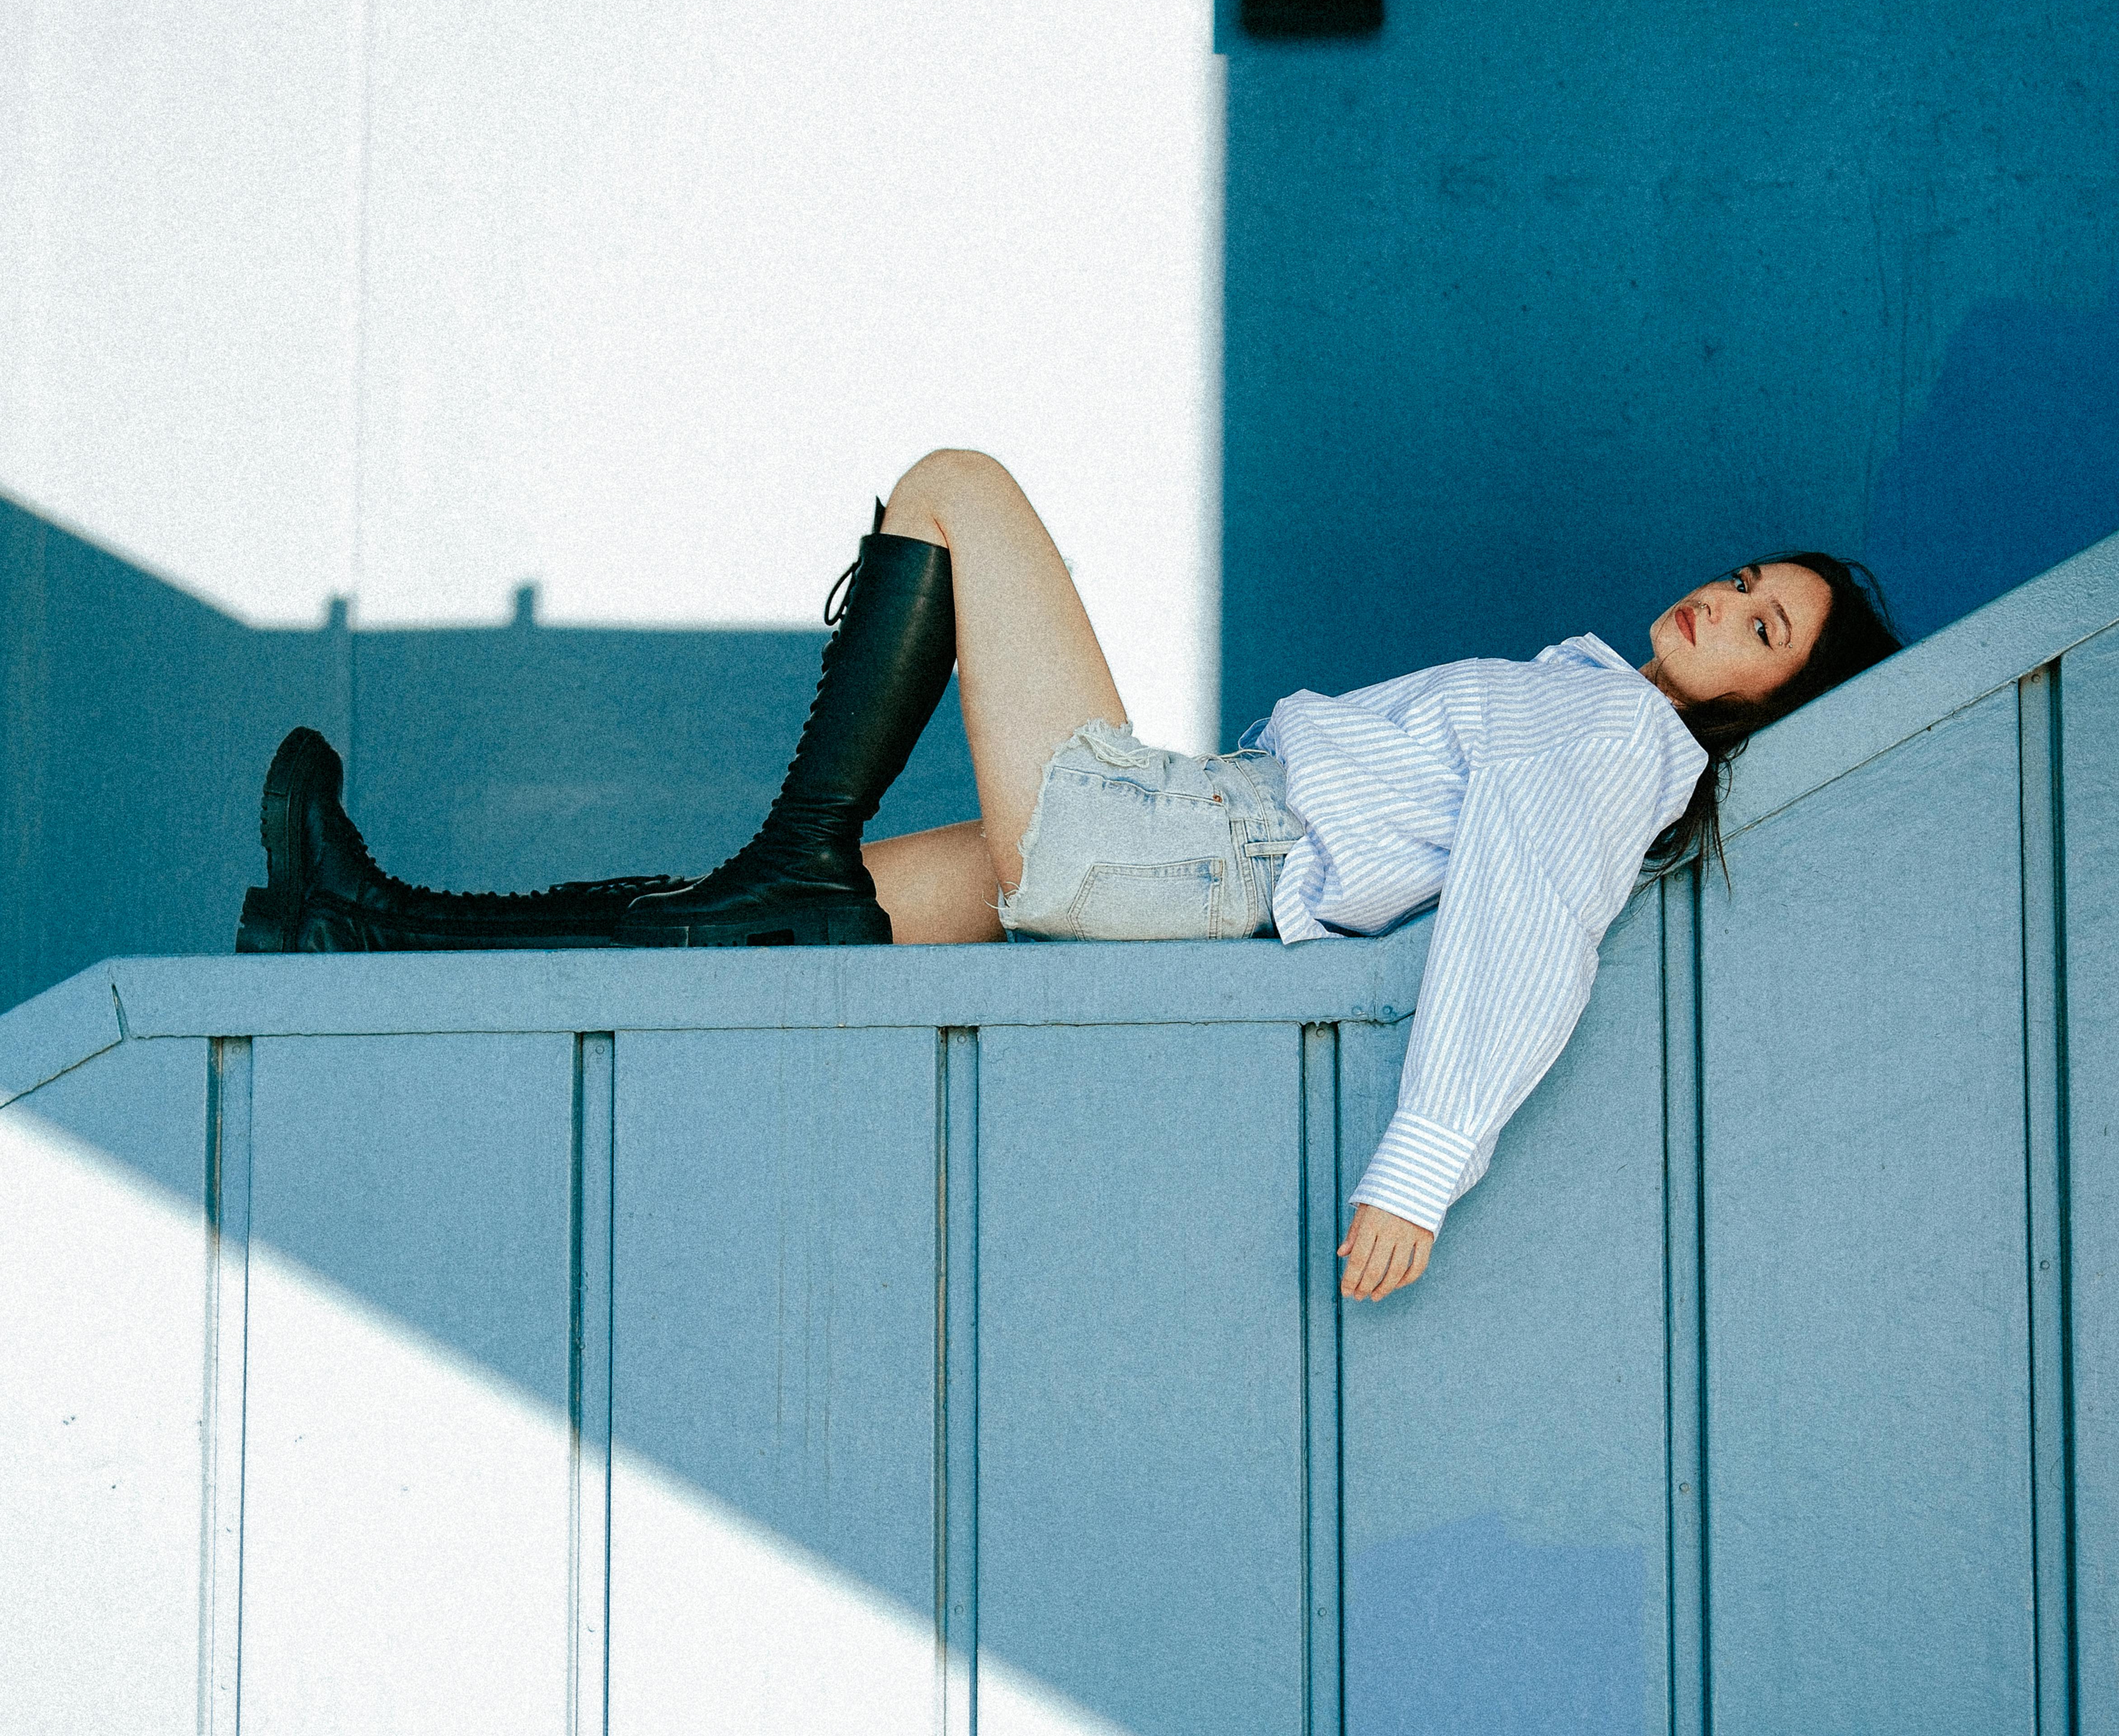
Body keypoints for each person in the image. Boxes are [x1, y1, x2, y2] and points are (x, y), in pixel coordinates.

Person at [235, 449, 1900, 1300]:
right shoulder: (1591, 702)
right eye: (1747, 580)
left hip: (1208, 843)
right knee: (740, 933)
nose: (1724, 605)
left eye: (1766, 632)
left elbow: (1539, 931)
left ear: (1774, 701)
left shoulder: (1616, 737)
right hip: (1199, 853)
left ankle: (789, 865)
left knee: (955, 488)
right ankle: (362, 928)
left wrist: (1425, 1161)